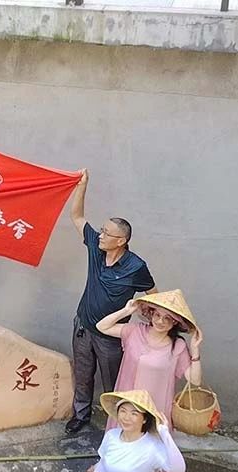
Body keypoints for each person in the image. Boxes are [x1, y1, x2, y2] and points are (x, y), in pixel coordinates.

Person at [67, 169, 157, 435]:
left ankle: (117, 426)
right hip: (83, 327)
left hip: (111, 337)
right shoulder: (96, 249)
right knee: (83, 375)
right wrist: (82, 185)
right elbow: (77, 216)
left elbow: (153, 295)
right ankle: (80, 415)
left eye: (106, 233)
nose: (100, 235)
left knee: (113, 382)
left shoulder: (136, 266)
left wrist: (152, 327)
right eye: (101, 230)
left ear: (121, 241)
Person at [95, 289, 202, 472]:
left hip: (155, 407)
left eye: (167, 318)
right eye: (157, 315)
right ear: (150, 313)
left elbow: (195, 380)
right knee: (121, 438)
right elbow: (102, 326)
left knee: (150, 448)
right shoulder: (134, 332)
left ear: (175, 323)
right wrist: (126, 311)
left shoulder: (177, 346)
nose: (160, 321)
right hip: (128, 402)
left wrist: (195, 351)